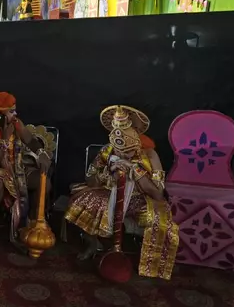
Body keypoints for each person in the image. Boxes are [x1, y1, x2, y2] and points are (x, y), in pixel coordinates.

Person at [65, 105, 179, 280]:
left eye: (127, 151)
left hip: (140, 199)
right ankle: (92, 244)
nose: (122, 152)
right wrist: (108, 170)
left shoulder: (149, 155)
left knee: (159, 217)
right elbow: (91, 179)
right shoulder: (106, 151)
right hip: (109, 192)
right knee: (84, 201)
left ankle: (151, 262)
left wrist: (135, 171)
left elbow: (157, 194)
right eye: (118, 149)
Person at [0, 92, 52, 249]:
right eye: (10, 111)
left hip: (16, 169)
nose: (15, 114)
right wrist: (4, 138)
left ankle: (30, 226)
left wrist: (41, 154)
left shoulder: (16, 123)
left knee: (45, 182)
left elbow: (30, 140)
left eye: (15, 110)